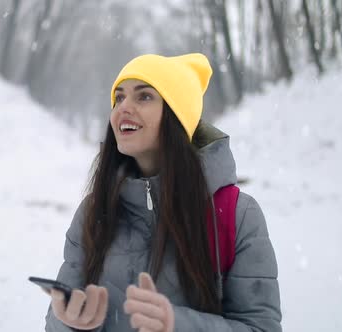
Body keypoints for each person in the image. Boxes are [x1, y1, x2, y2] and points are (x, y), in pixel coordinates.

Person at [43, 53, 282, 332]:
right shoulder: (94, 211)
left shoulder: (237, 215)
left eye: (143, 97)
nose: (123, 108)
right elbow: (56, 321)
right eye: (119, 98)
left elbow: (261, 327)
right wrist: (72, 324)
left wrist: (177, 325)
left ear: (176, 117)